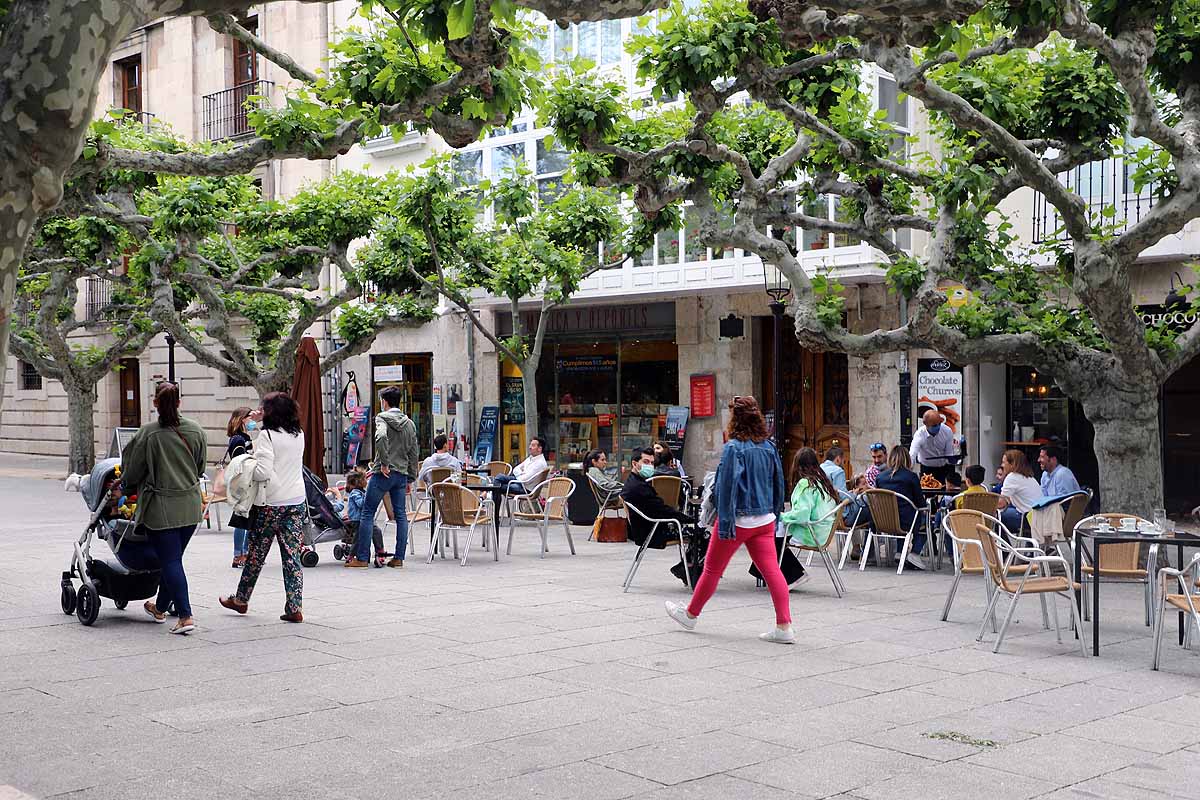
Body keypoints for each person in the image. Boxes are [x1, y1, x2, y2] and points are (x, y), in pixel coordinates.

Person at [664, 396, 794, 644]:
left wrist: (723, 522)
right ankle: (784, 625)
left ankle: (691, 614)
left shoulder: (734, 447)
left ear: (735, 419)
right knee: (772, 571)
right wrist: (776, 512)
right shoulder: (768, 446)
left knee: (712, 569)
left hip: (739, 519)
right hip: (764, 519)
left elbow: (726, 487)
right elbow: (780, 483)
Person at [121, 382, 206, 635]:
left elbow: (133, 471)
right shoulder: (196, 430)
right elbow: (200, 468)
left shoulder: (148, 433)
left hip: (162, 507)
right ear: (179, 402)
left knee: (170, 561)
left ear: (155, 403)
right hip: (191, 506)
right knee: (175, 560)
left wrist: (124, 486)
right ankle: (159, 607)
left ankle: (185, 615)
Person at [219, 392, 307, 623]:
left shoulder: (268, 435)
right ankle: (294, 607)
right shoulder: (299, 435)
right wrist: (258, 421)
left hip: (271, 502)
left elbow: (263, 472)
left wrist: (247, 462)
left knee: (256, 554)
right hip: (296, 500)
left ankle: (241, 599)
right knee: (292, 557)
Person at [348, 386, 418, 569]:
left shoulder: (382, 418)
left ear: (384, 402)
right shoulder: (409, 423)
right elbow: (413, 451)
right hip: (401, 474)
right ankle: (398, 558)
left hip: (383, 473)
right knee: (401, 515)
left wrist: (385, 463)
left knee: (368, 513)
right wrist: (411, 476)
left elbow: (380, 437)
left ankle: (362, 558)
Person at [621, 448, 694, 546]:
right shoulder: (639, 487)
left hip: (643, 531)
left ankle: (686, 561)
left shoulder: (632, 482)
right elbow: (662, 510)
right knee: (700, 534)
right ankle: (694, 561)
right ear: (634, 464)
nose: (650, 466)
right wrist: (689, 519)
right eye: (646, 462)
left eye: (652, 463)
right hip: (653, 533)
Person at [875, 445, 928, 571]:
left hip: (884, 521)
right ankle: (914, 553)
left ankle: (900, 552)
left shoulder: (880, 477)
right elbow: (920, 503)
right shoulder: (911, 477)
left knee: (901, 513)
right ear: (906, 459)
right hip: (906, 522)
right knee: (926, 521)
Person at [781, 447, 838, 550]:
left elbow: (802, 515)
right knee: (777, 537)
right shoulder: (822, 482)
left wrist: (781, 517)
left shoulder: (806, 484)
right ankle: (784, 566)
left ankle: (777, 566)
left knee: (775, 533)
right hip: (823, 534)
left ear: (797, 465)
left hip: (810, 535)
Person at [328, 468, 386, 566]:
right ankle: (351, 556)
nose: (366, 481)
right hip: (357, 520)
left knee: (377, 532)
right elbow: (361, 504)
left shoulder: (361, 491)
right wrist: (370, 496)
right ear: (358, 482)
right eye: (364, 479)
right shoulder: (355, 492)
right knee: (358, 538)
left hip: (366, 519)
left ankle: (380, 551)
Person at [225, 406, 254, 569]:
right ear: (242, 419)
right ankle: (239, 555)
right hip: (243, 483)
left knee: (245, 520)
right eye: (250, 417)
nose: (252, 421)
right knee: (241, 520)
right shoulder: (239, 439)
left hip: (246, 483)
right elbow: (239, 463)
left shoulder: (243, 437)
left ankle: (244, 553)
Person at [996, 448, 1042, 534]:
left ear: (1012, 464)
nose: (1002, 465)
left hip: (1027, 518)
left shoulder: (1012, 477)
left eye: (1004, 462)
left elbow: (1001, 503)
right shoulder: (1029, 477)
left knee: (994, 518)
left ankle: (1004, 546)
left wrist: (985, 505)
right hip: (1038, 517)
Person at [909, 409, 960, 481]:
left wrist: (953, 459)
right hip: (926, 469)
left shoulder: (947, 431)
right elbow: (912, 454)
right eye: (934, 425)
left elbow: (949, 453)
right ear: (925, 424)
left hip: (944, 468)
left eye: (939, 423)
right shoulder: (919, 435)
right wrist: (908, 470)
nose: (938, 427)